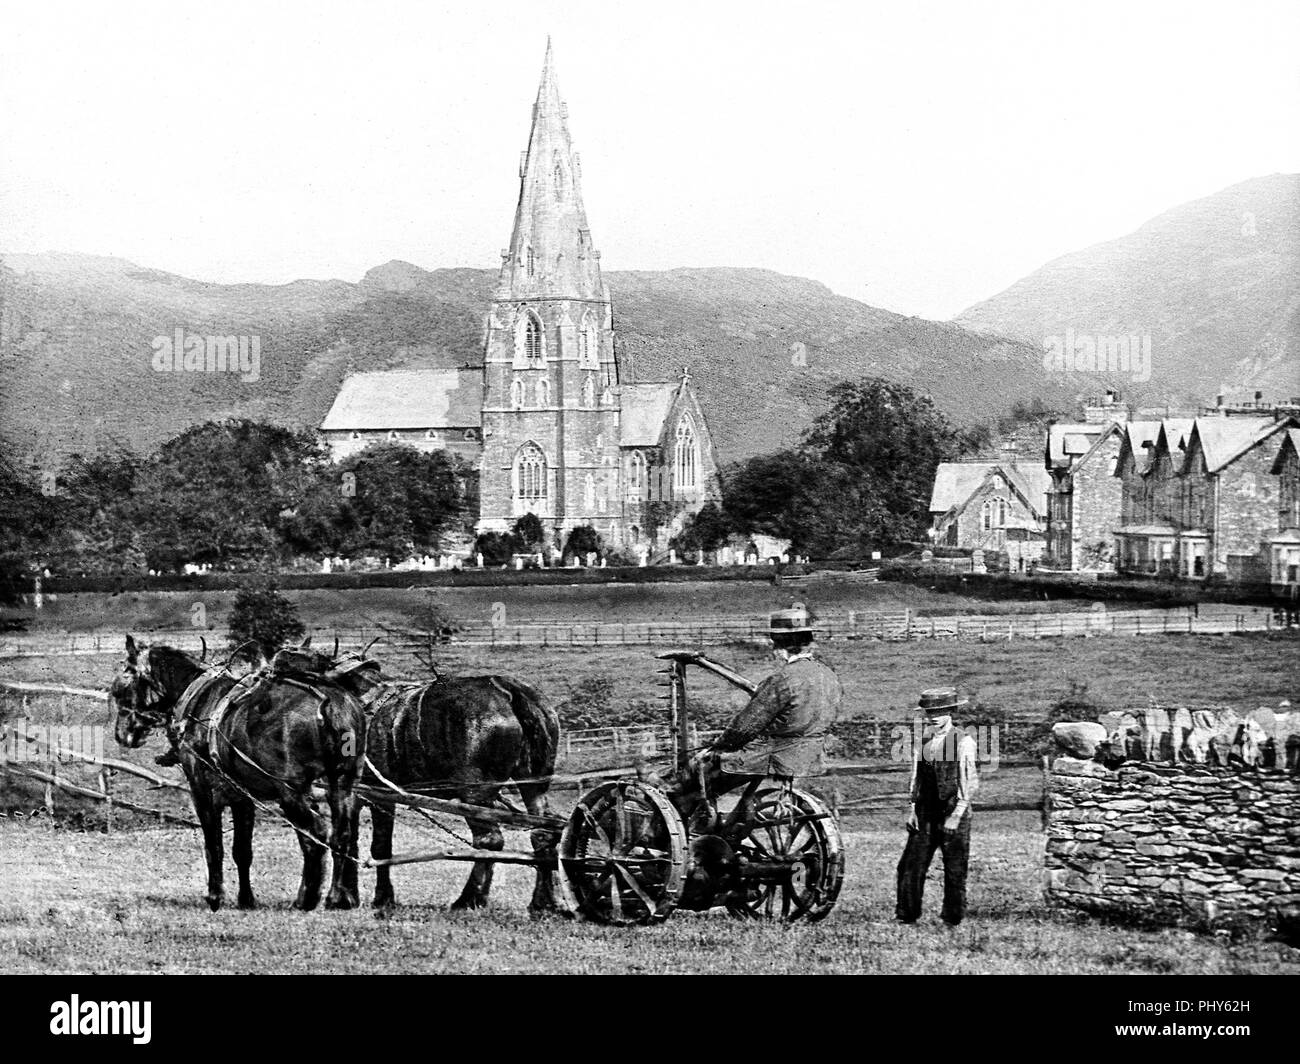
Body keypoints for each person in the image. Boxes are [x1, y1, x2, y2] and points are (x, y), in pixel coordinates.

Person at [670, 605, 843, 808]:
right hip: (810, 754)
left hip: (769, 756)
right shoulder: (829, 676)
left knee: (693, 772)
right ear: (808, 641)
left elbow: (745, 726)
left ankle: (675, 808)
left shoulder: (783, 679)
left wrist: (718, 748)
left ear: (779, 646)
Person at [896, 686, 979, 926]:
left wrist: (957, 814)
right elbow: (916, 777)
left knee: (954, 866)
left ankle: (952, 919)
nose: (934, 716)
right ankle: (906, 916)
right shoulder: (922, 741)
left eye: (940, 711)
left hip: (953, 808)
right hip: (925, 810)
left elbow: (969, 780)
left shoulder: (963, 741)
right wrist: (913, 808)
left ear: (951, 712)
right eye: (930, 711)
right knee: (911, 864)